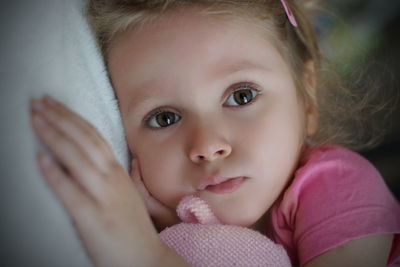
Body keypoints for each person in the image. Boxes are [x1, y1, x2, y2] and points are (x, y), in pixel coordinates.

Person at [30, 0, 400, 266]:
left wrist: (146, 255)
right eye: (164, 118)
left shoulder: (340, 185)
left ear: (307, 99)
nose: (207, 145)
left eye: (241, 96)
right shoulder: (169, 221)